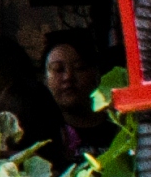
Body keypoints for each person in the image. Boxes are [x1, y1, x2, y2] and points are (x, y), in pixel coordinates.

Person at [35, 30, 108, 165]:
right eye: (58, 69)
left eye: (80, 68)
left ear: (96, 73)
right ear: (44, 78)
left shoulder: (119, 126)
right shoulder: (41, 136)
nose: (68, 77)